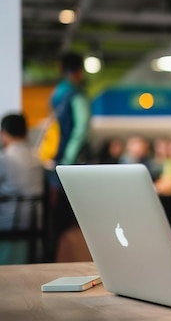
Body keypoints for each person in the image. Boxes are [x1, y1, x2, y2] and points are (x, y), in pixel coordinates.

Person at [44, 52, 91, 261]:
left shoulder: (57, 93)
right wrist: (69, 160)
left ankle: (52, 258)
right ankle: (66, 260)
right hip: (69, 165)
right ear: (79, 71)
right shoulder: (77, 95)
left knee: (56, 218)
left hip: (54, 162)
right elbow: (81, 129)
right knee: (70, 220)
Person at [0, 113, 44, 264]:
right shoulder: (36, 158)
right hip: (34, 222)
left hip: (10, 224)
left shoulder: (6, 159)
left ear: (4, 133)